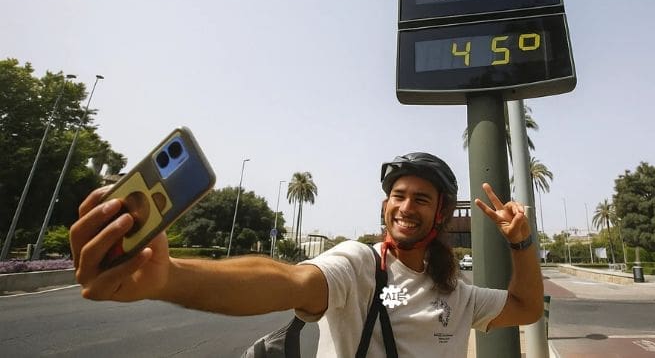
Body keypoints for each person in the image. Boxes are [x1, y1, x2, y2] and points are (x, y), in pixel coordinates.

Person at [70, 152, 543, 357]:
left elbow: (523, 307)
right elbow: (285, 282)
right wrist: (169, 278)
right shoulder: (360, 265)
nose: (405, 207)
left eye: (421, 199)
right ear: (385, 205)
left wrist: (521, 244)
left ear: (440, 216)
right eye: (398, 195)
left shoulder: (455, 291)